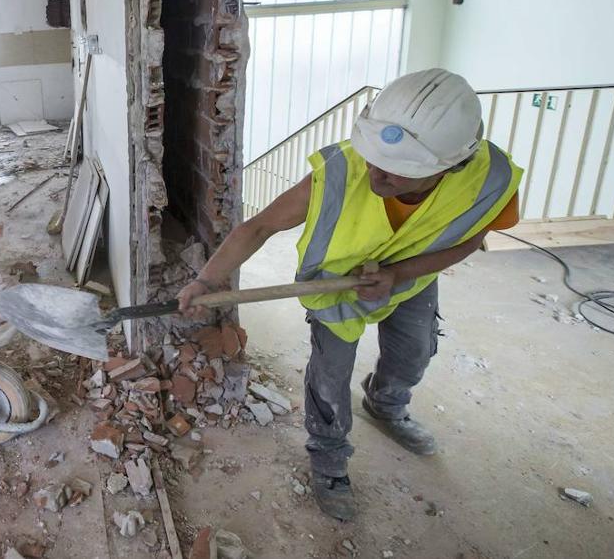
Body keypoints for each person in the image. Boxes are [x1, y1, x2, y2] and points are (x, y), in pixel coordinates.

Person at [177, 69, 522, 521]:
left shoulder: (489, 180)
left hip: (414, 275)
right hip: (336, 287)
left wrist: (399, 274)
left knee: (413, 353)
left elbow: (471, 240)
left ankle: (385, 405)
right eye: (374, 157)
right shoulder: (341, 171)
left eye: (399, 171)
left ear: (449, 166)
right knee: (329, 375)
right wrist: (206, 281)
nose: (377, 173)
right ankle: (329, 458)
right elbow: (258, 227)